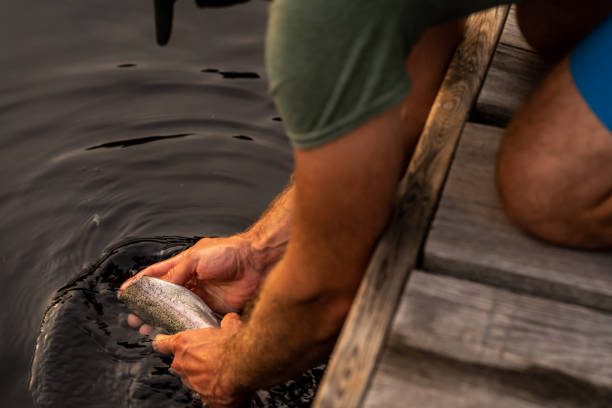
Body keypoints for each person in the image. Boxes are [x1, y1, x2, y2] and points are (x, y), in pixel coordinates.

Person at [119, 1, 612, 406]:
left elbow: (326, 296)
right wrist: (261, 249)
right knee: (550, 25)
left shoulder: (318, 20)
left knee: (547, 184)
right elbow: (404, 111)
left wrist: (229, 367)